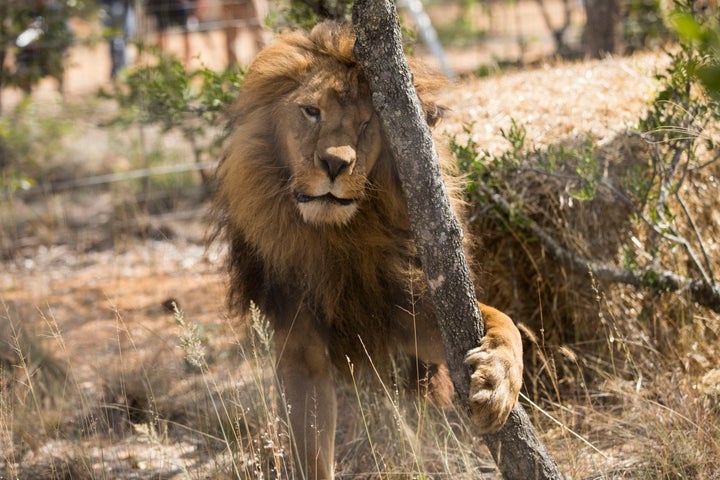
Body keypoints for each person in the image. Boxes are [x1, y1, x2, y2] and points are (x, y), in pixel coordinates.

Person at [102, 0, 136, 78]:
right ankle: (120, 71)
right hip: (115, 5)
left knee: (124, 39)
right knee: (117, 40)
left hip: (125, 6)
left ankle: (121, 70)